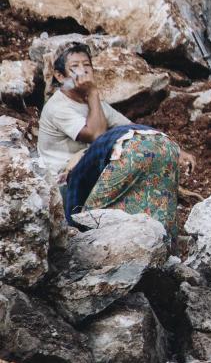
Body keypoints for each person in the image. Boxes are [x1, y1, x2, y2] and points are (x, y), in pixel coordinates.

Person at [37, 42, 195, 236]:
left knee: (140, 145)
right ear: (60, 76)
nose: (84, 71)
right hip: (65, 182)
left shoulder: (94, 105)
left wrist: (175, 149)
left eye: (87, 65)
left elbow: (131, 129)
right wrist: (93, 92)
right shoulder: (58, 107)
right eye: (75, 67)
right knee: (113, 142)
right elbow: (97, 136)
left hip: (86, 170)